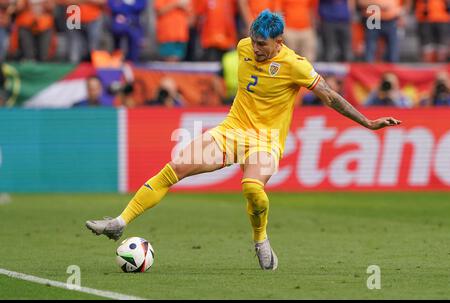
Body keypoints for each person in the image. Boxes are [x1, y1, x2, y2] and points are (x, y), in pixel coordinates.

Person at [86, 10, 401, 270]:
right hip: (230, 132)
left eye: (263, 44)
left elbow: (330, 97)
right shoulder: (242, 48)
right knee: (176, 166)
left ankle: (260, 239)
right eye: (254, 41)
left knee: (252, 188)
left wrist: (368, 122)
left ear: (280, 42)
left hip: (266, 141)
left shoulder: (296, 65)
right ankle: (119, 222)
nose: (256, 48)